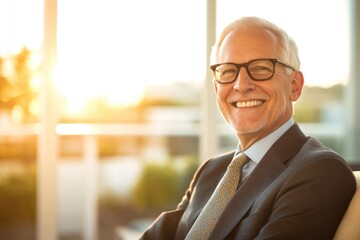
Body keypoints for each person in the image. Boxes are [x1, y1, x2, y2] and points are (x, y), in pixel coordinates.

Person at [138, 16, 356, 240]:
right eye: (228, 71)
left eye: (261, 68)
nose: (241, 85)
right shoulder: (211, 171)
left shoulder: (319, 171)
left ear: (295, 86)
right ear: (216, 89)